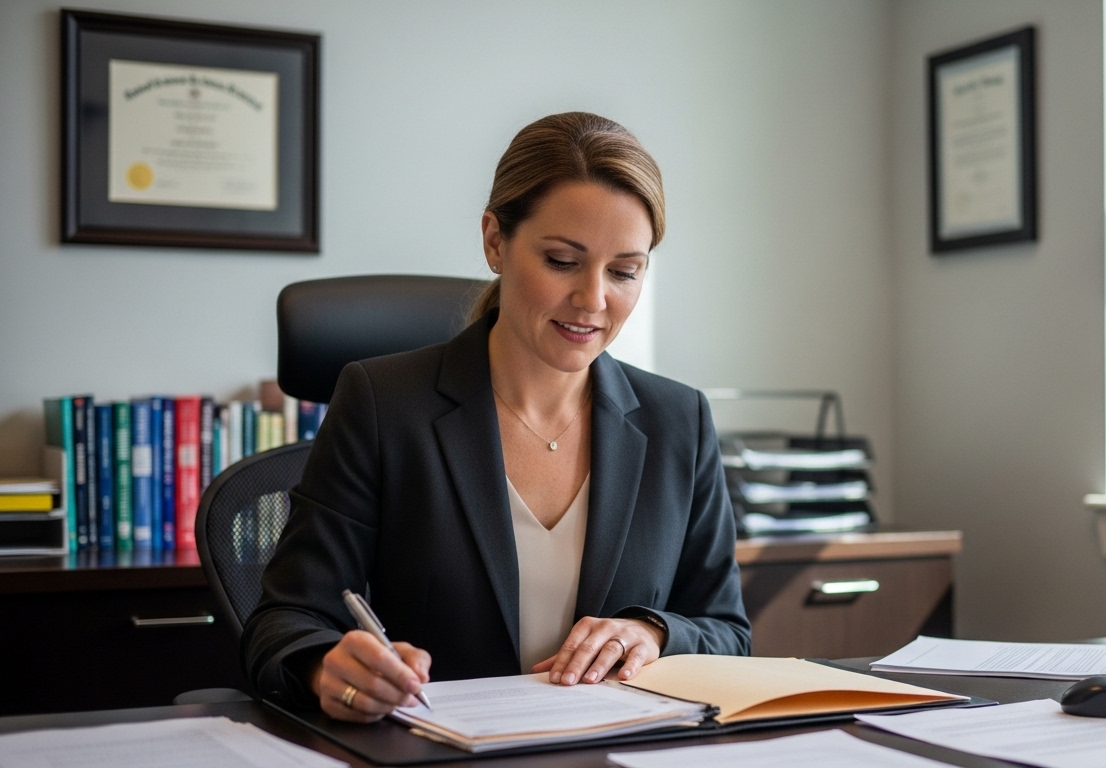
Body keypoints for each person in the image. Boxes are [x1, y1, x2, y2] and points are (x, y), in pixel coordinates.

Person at [242, 112, 750, 723]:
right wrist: (327, 666)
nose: (594, 299)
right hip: (437, 752)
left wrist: (656, 634)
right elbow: (286, 618)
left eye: (624, 271)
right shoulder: (382, 402)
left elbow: (727, 631)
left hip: (613, 752)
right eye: (563, 260)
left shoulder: (679, 420)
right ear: (494, 241)